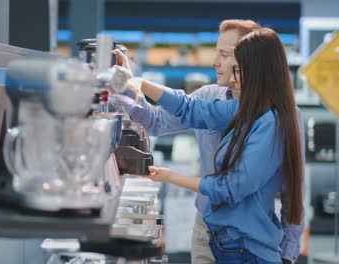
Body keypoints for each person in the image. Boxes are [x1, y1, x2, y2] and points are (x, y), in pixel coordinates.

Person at [111, 20, 304, 264]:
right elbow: (179, 113)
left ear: (252, 63)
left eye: (226, 56)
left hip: (247, 239)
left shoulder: (279, 116)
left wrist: (288, 253)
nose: (216, 62)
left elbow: (291, 190)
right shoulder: (222, 102)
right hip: (208, 231)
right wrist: (133, 84)